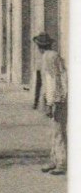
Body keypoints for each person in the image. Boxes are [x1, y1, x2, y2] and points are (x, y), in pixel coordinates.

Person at [32, 33, 67, 175]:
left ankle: (62, 163)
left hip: (57, 99)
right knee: (55, 131)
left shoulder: (48, 57)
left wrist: (51, 103)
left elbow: (53, 80)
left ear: (40, 46)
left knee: (58, 132)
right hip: (58, 98)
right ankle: (55, 160)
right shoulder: (53, 55)